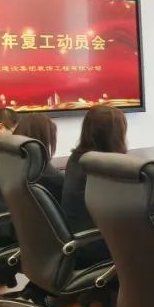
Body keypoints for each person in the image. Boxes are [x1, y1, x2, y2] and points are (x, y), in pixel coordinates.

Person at [62, 105, 127, 265]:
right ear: (116, 135)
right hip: (96, 247)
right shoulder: (104, 170)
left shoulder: (77, 159)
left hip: (77, 240)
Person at [0, 113, 64, 217]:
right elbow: (61, 183)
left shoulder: (3, 151)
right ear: (43, 138)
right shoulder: (32, 158)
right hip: (9, 221)